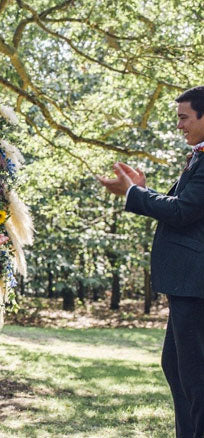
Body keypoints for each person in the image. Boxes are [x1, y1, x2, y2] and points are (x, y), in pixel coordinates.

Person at [98, 85, 204, 438]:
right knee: (176, 366)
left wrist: (135, 193)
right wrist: (140, 191)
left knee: (195, 375)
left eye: (184, 117)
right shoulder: (199, 156)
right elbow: (179, 203)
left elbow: (183, 211)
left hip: (196, 285)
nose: (179, 126)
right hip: (187, 284)